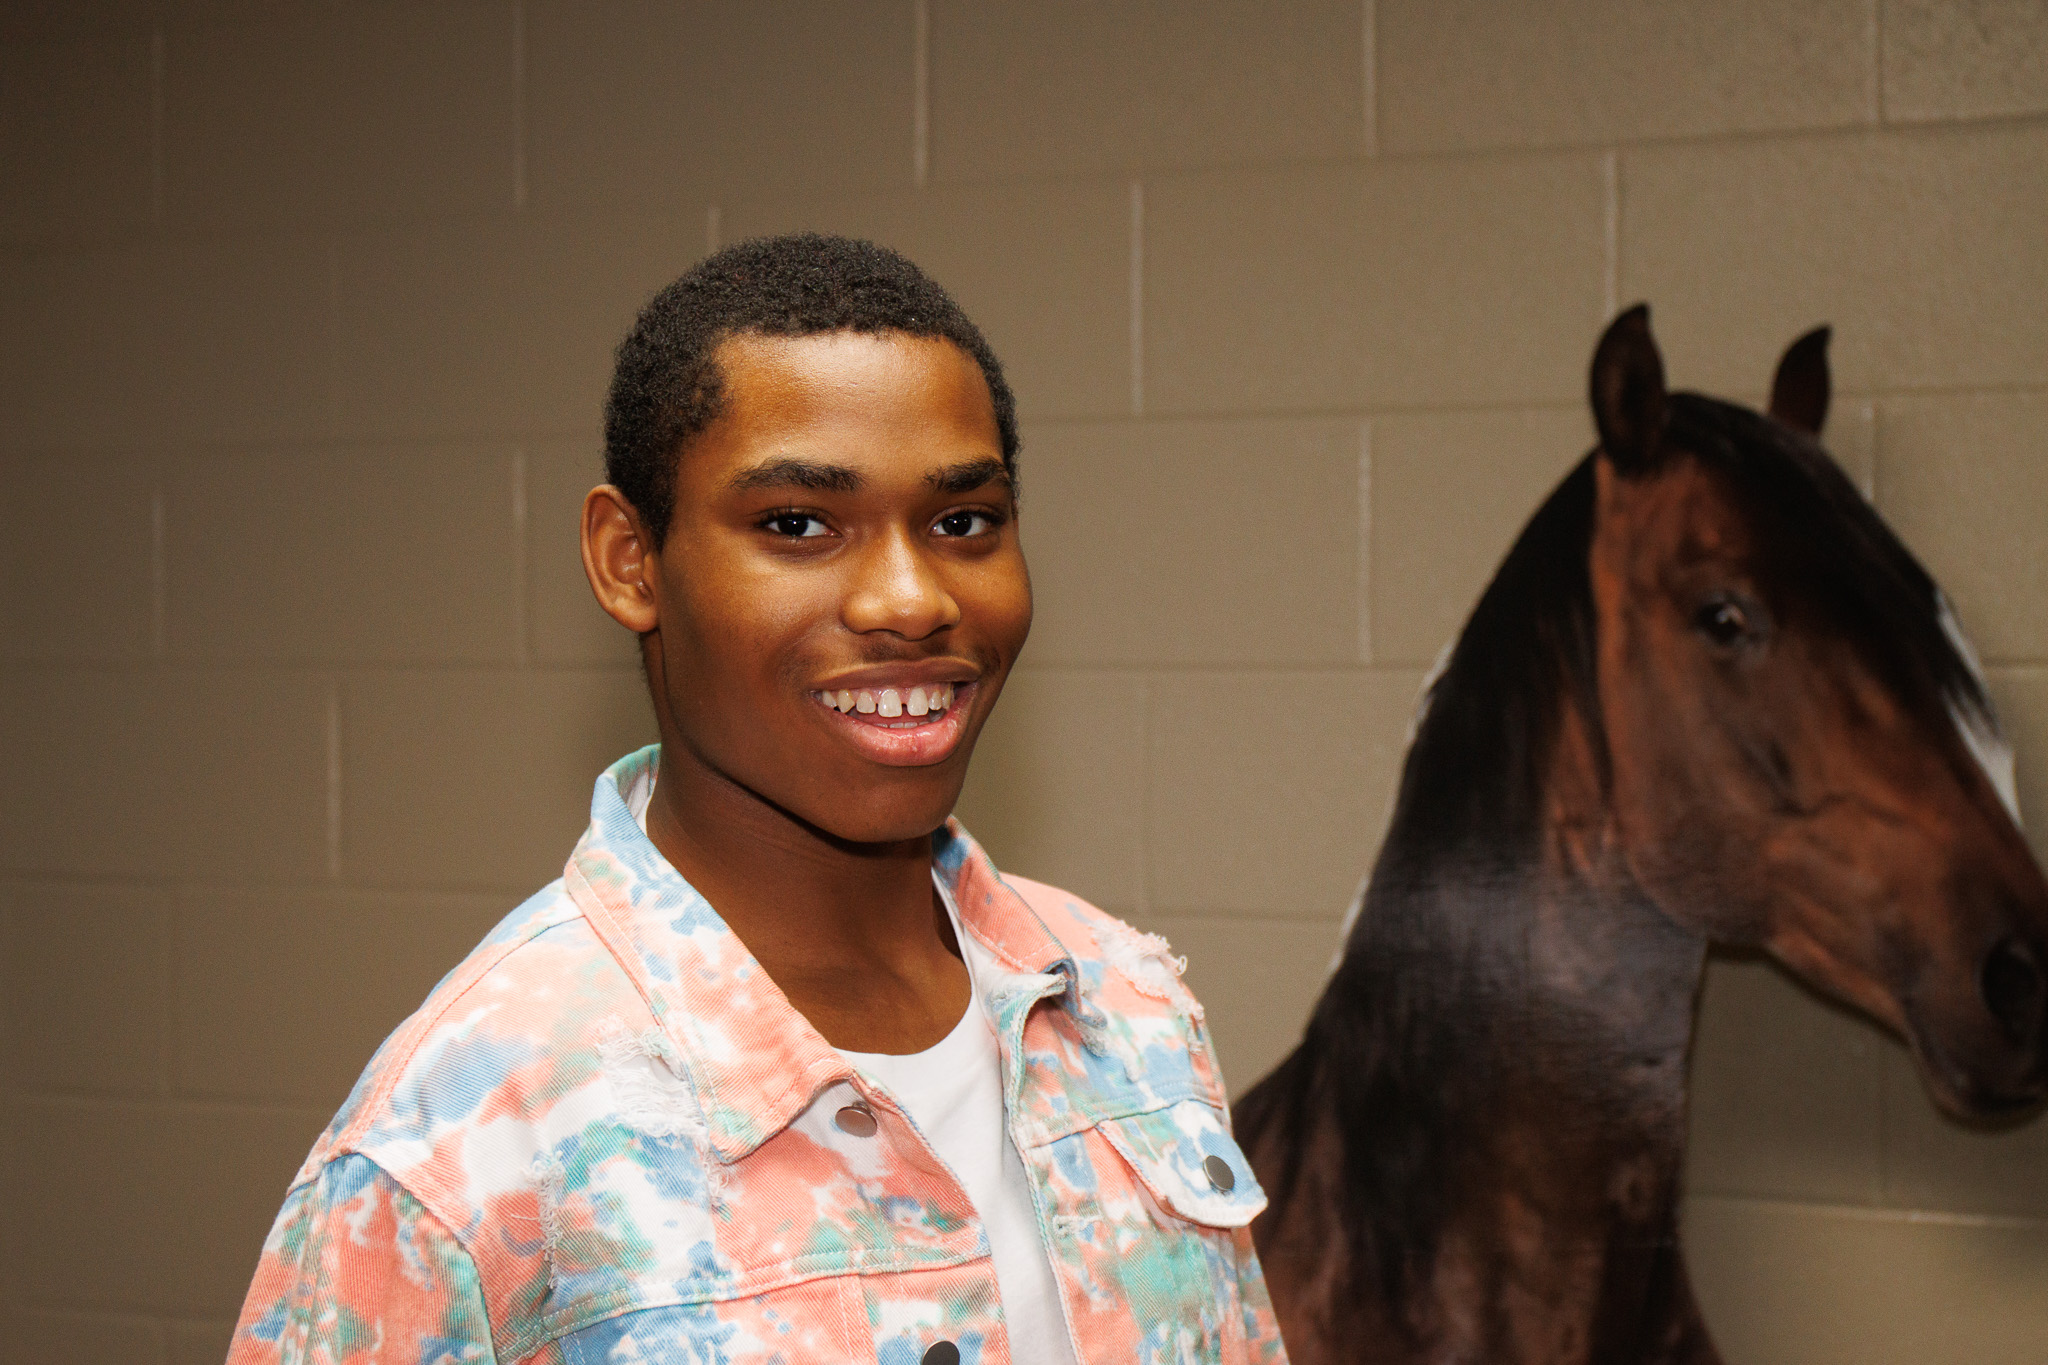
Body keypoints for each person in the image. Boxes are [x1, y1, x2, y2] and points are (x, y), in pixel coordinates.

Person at [226, 234, 1287, 1364]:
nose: (910, 599)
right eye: (796, 524)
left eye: (962, 522)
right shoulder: (463, 1140)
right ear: (629, 560)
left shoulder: (1121, 1003)